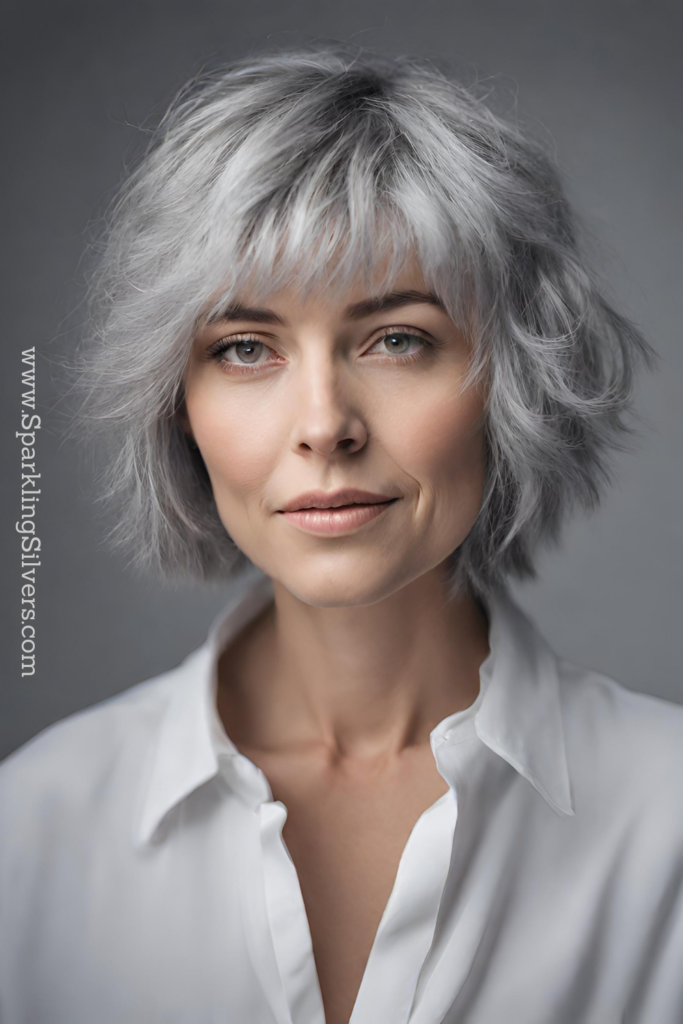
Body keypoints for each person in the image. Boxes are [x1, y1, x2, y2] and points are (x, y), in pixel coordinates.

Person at [1, 44, 682, 1024]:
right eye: (245, 349)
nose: (324, 423)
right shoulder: (28, 834)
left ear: (511, 379)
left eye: (396, 338)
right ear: (174, 404)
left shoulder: (666, 823)